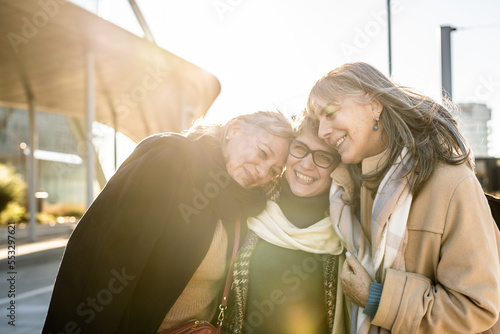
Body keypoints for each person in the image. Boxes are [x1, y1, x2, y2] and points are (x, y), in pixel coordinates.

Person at [42, 110, 293, 334]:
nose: (262, 172)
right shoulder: (170, 160)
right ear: (235, 130)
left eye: (273, 171)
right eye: (263, 153)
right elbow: (101, 261)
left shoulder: (242, 206)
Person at [306, 62, 500, 333]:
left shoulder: (452, 183)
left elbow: (477, 307)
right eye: (318, 121)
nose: (322, 132)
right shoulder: (348, 191)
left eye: (330, 113)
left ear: (374, 105)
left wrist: (375, 298)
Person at [222, 112, 350, 334]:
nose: (307, 164)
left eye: (323, 157)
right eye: (300, 149)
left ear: (336, 167)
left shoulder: (346, 227)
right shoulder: (251, 202)